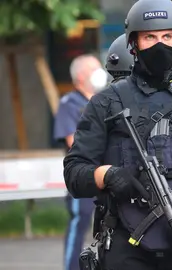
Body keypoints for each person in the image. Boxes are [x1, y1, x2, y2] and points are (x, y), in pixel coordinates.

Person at [63, 0, 172, 269]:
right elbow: (74, 172)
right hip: (126, 244)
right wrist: (108, 175)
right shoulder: (106, 102)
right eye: (150, 37)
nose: (160, 44)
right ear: (133, 44)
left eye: (167, 36)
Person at [53, 54, 108, 270]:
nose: (99, 72)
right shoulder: (70, 104)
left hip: (105, 174)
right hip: (83, 175)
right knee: (80, 221)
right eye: (93, 68)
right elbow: (72, 141)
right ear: (81, 76)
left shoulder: (103, 101)